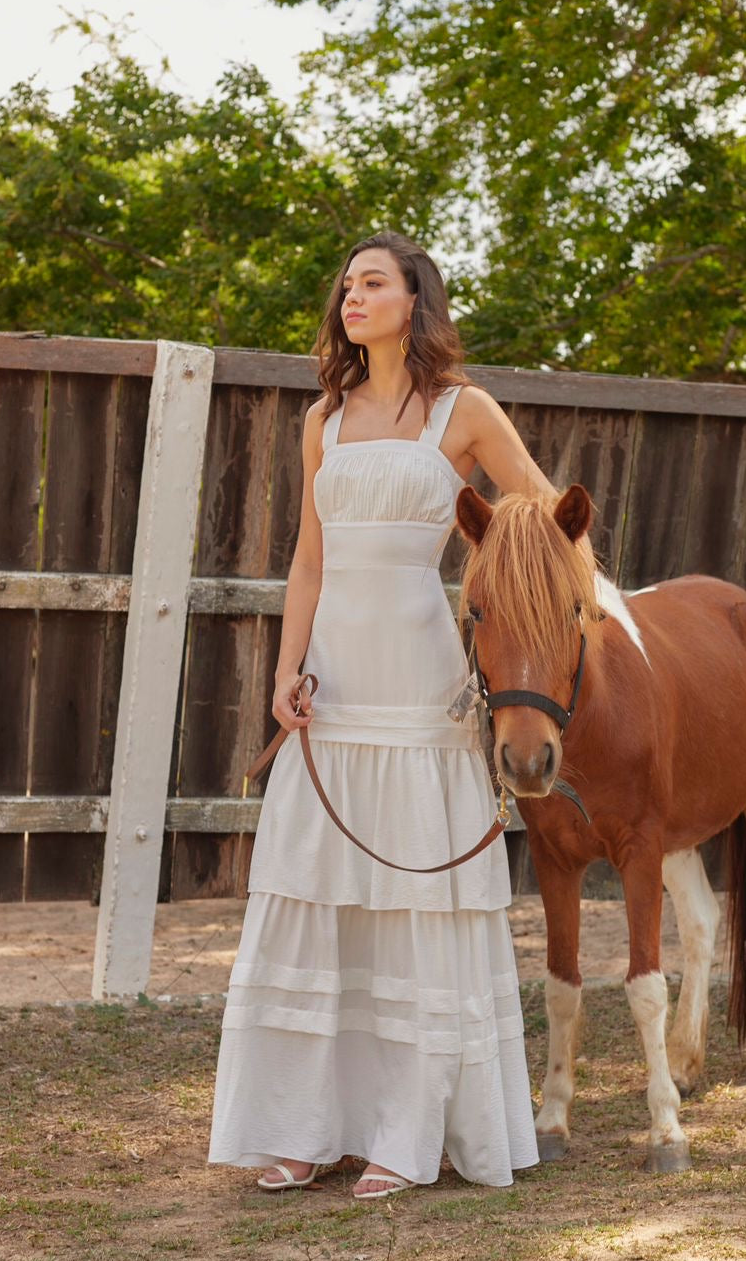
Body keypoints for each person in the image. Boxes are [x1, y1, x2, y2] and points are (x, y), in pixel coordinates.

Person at [207, 230, 561, 1199]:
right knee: (322, 900)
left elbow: (542, 522)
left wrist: (516, 619)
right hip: (334, 683)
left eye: (373, 282)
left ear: (416, 299)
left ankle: (409, 1137)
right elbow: (309, 559)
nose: (351, 296)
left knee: (411, 909)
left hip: (419, 677)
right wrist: (285, 667)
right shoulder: (323, 416)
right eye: (346, 285)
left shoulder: (464, 409)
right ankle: (304, 1128)